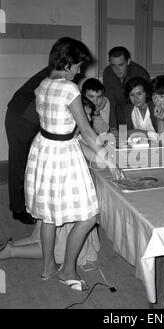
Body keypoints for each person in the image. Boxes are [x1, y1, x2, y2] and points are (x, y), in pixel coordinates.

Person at [24, 37, 124, 291]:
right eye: (78, 65)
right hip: (63, 153)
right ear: (67, 63)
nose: (79, 70)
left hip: (43, 149)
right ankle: (67, 269)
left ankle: (48, 267)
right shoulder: (69, 89)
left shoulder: (43, 84)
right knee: (90, 214)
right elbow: (87, 131)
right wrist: (109, 159)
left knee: (48, 215)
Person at [5, 66, 52, 224]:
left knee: (30, 163)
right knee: (19, 163)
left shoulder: (59, 73)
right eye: (78, 65)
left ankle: (29, 202)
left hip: (31, 118)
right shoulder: (54, 76)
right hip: (21, 117)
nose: (79, 70)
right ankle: (17, 209)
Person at [103, 46, 150, 129]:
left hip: (137, 117)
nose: (117, 70)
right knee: (119, 139)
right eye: (113, 66)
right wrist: (113, 128)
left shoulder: (140, 73)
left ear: (128, 61)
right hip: (118, 116)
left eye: (121, 65)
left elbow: (145, 102)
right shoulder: (107, 73)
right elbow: (110, 103)